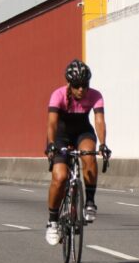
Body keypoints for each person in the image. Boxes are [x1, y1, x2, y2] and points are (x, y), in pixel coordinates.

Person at [45, 59, 110, 246]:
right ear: (69, 84)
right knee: (60, 177)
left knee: (89, 155)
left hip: (83, 132)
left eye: (85, 85)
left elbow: (99, 121)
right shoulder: (57, 95)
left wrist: (103, 144)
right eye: (77, 86)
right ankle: (53, 221)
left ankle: (89, 201)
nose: (82, 89)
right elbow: (51, 123)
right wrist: (51, 145)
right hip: (61, 135)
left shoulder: (95, 95)